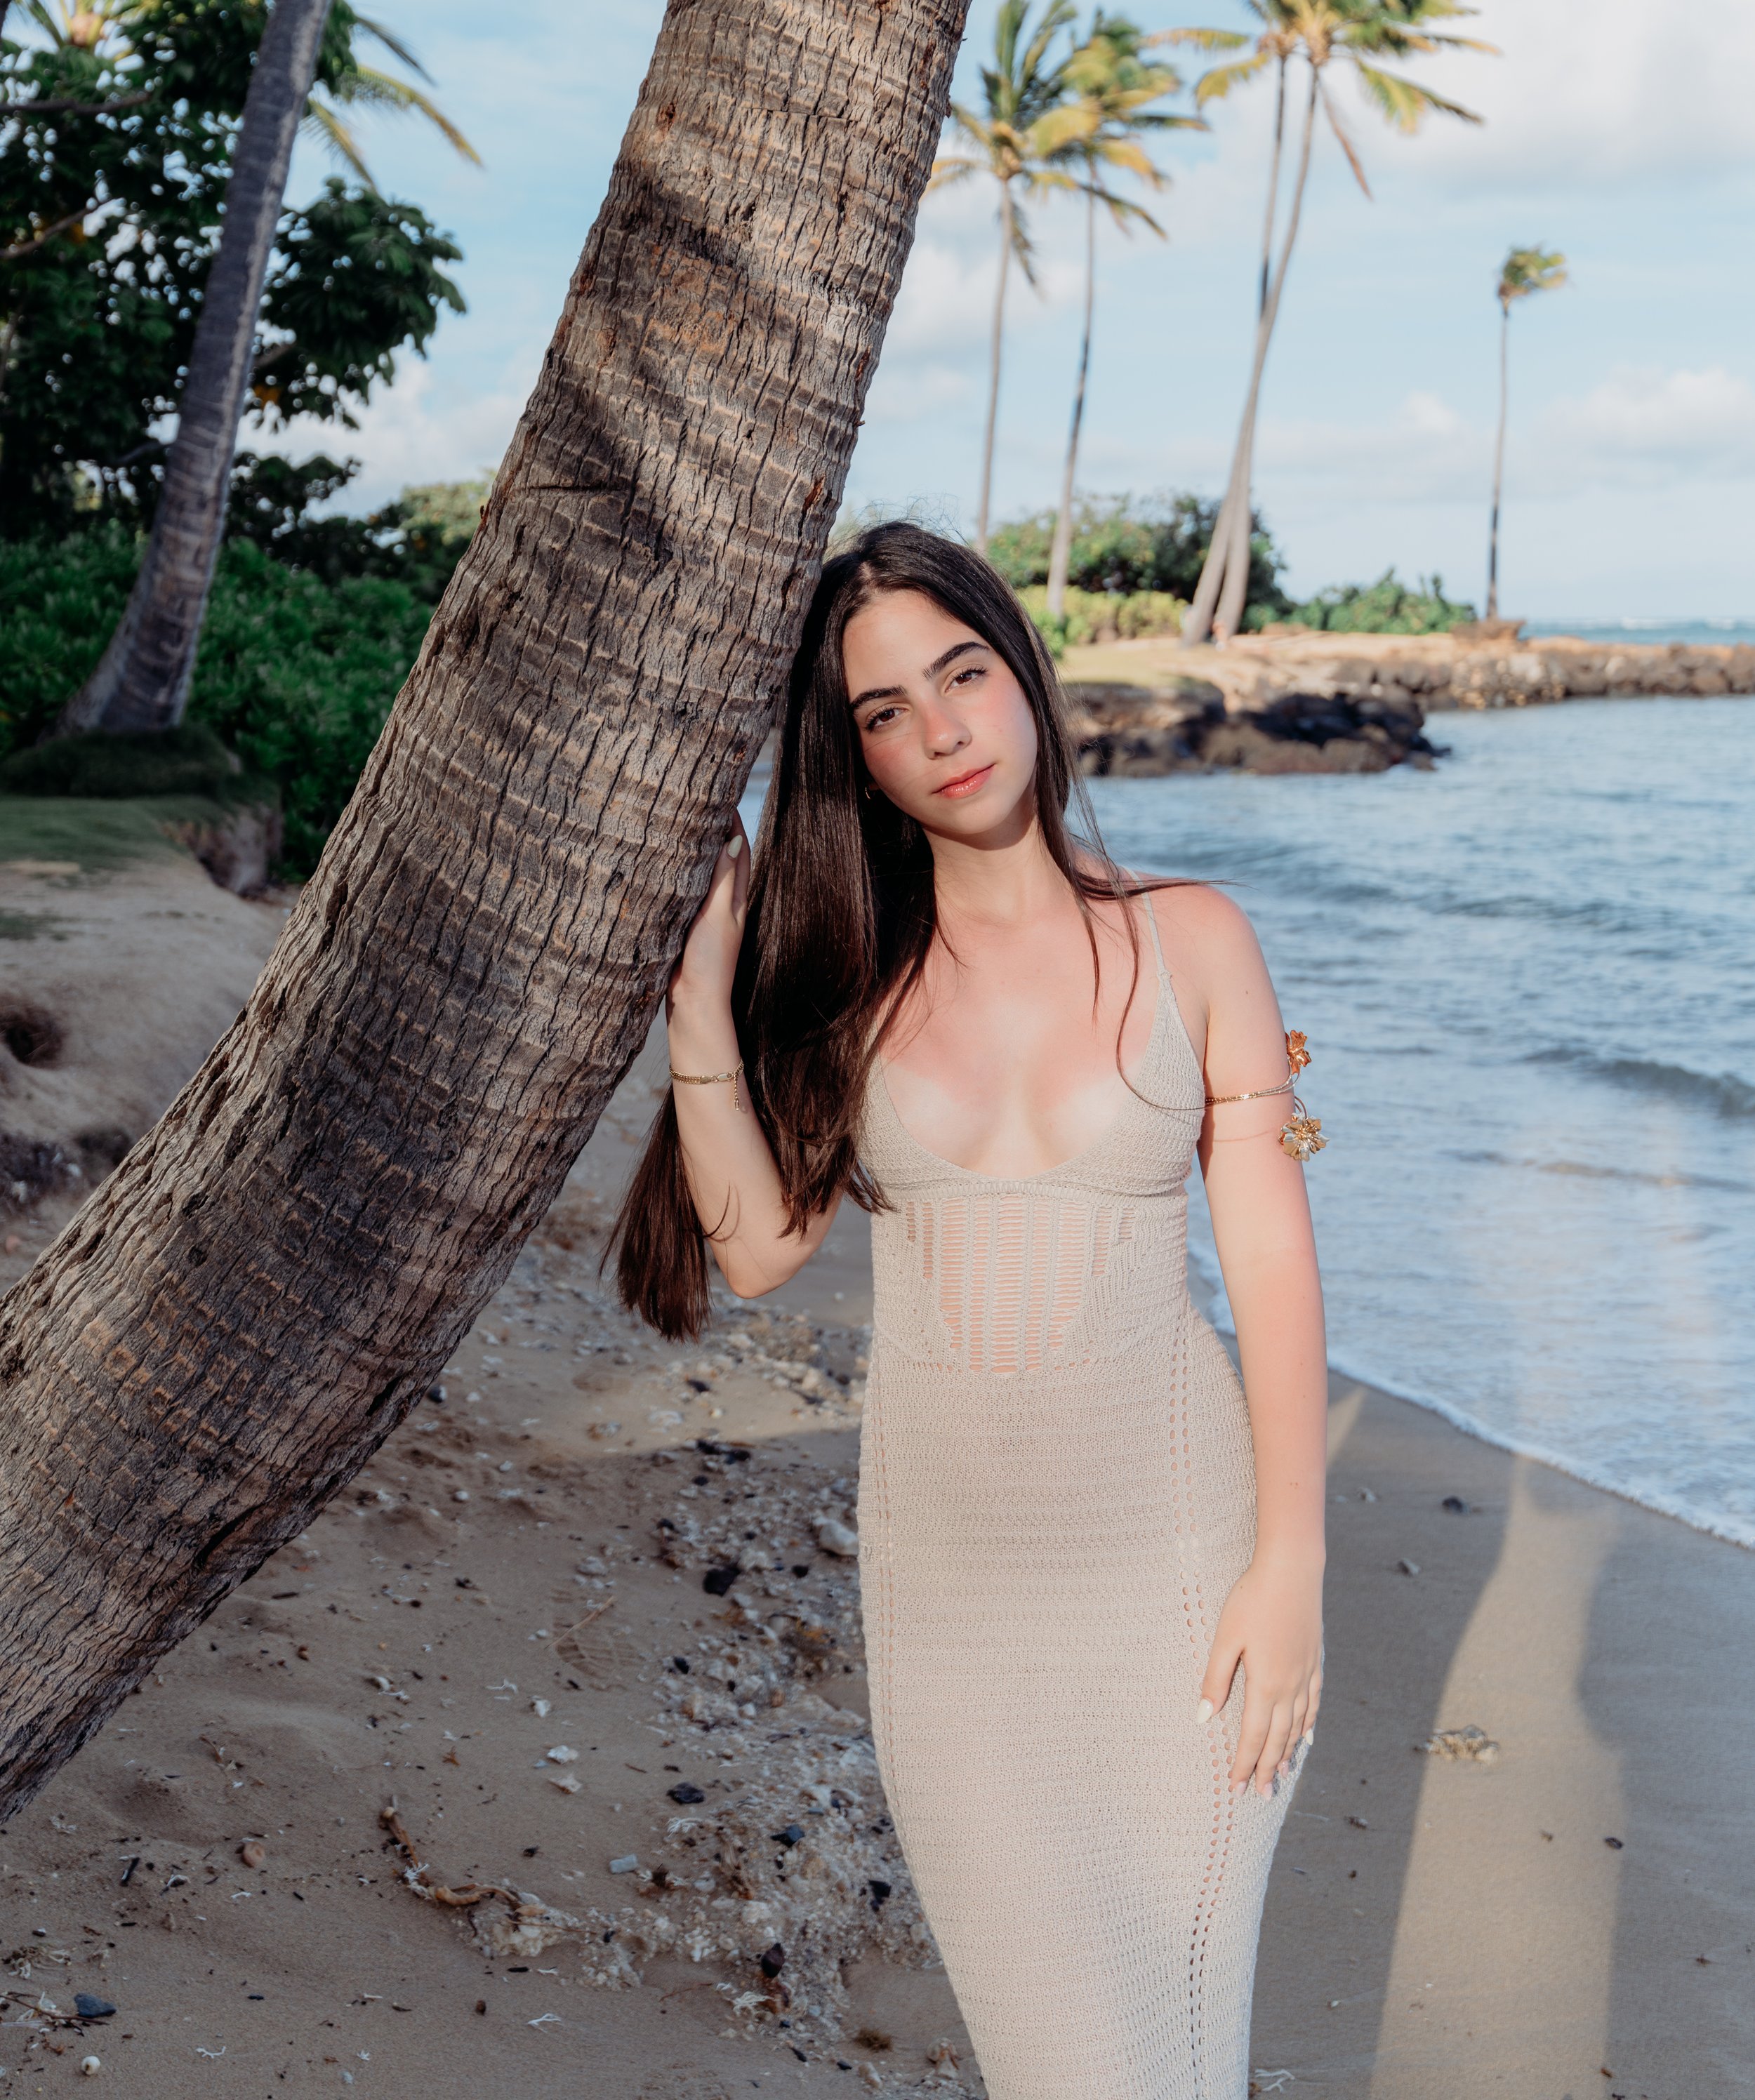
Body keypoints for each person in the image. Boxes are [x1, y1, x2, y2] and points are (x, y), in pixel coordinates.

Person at [611, 522, 1327, 2099]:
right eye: (883, 712)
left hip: (1183, 1591)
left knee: (1175, 2056)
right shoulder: (854, 979)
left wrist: (1292, 1561)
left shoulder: (1191, 939)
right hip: (950, 1626)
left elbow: (1270, 1260)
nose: (938, 729)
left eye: (962, 673)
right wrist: (696, 1006)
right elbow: (756, 1249)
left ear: (1023, 675)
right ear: (854, 760)